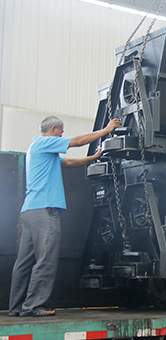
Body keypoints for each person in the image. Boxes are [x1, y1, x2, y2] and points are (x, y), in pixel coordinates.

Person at [8, 115, 121, 317]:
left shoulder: (36, 149)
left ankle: (16, 307)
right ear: (54, 130)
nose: (62, 135)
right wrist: (106, 130)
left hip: (29, 212)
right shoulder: (45, 142)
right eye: (61, 131)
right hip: (45, 211)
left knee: (23, 262)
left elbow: (67, 162)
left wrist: (91, 159)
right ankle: (32, 306)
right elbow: (76, 142)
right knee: (46, 260)